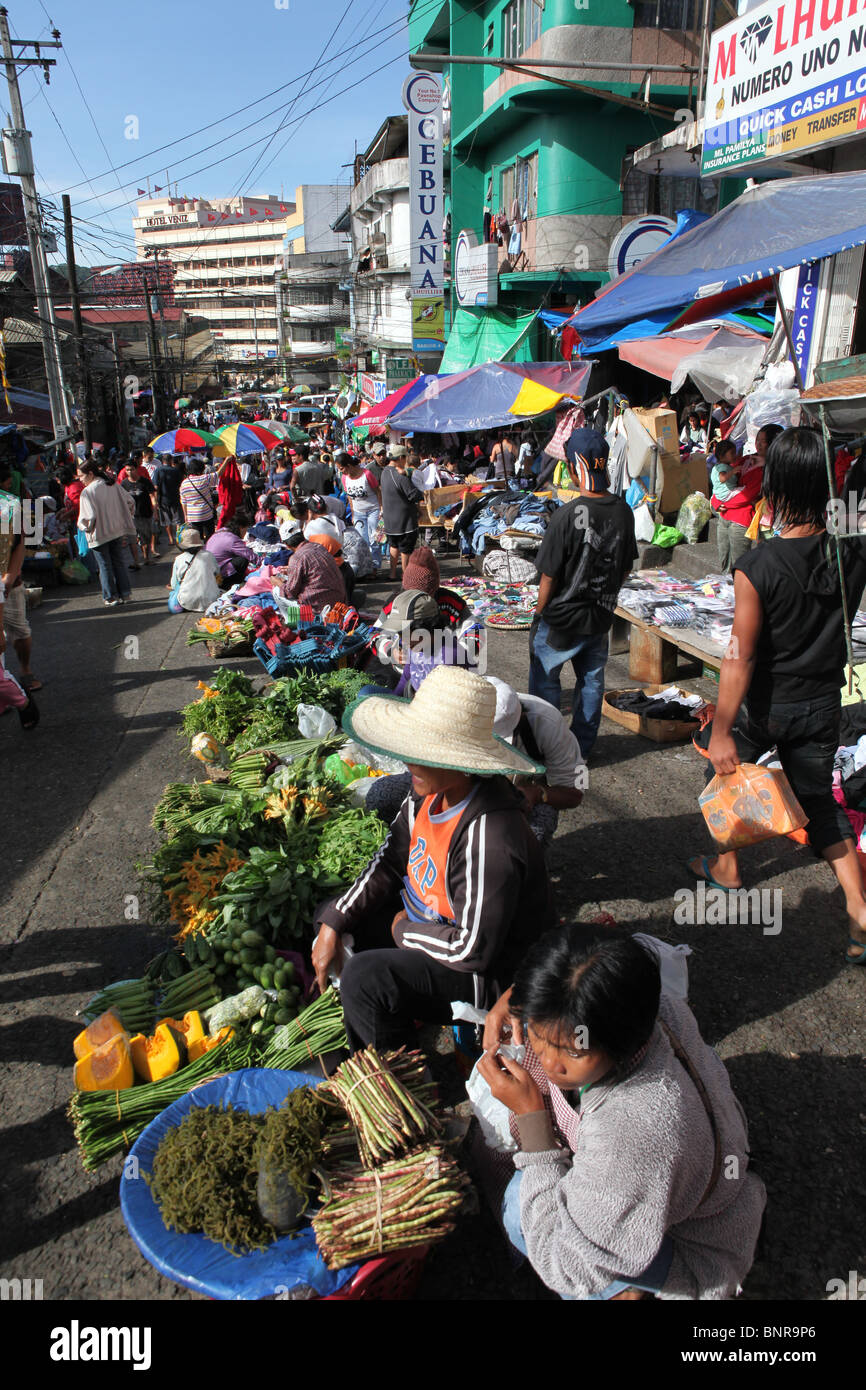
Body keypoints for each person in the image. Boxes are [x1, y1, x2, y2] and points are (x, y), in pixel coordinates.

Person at [479, 925, 766, 1300]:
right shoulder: (653, 1004)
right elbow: (575, 982)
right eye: (539, 1035)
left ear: (621, 1040)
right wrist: (519, 1002)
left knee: (519, 1204)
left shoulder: (633, 1130)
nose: (550, 1064)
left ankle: (627, 1291)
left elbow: (565, 1265)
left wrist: (533, 1123)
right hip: (703, 1186)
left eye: (572, 1052)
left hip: (698, 1259)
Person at [689, 427, 866, 965]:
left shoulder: (758, 566)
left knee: (714, 763)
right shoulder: (852, 554)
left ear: (777, 485)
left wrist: (720, 730)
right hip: (822, 705)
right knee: (822, 808)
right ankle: (860, 911)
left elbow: (739, 656)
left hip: (768, 708)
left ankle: (727, 869)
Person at [311, 665, 557, 1049]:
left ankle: (400, 1083)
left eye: (425, 754)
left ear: (463, 763)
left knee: (365, 977)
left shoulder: (489, 835)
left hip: (493, 975)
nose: (411, 762)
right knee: (335, 918)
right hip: (429, 923)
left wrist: (401, 930)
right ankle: (392, 1022)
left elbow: (471, 951)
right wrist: (333, 921)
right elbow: (391, 859)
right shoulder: (427, 795)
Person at [529, 426, 637, 758]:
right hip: (599, 617)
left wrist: (538, 613)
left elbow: (548, 576)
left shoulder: (564, 516)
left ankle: (547, 751)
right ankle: (581, 749)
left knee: (546, 683)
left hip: (560, 618)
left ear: (577, 467)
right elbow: (626, 566)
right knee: (591, 682)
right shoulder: (623, 511)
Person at [486, 676, 585, 848]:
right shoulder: (447, 718)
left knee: (531, 836)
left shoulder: (549, 724)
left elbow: (575, 794)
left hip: (522, 795)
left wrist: (537, 793)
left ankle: (530, 866)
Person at [76, 459, 136, 606]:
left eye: (81, 476)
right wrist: (123, 517)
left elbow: (87, 518)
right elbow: (130, 502)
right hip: (117, 530)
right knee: (119, 562)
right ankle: (125, 594)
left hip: (99, 534)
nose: (80, 480)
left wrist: (83, 528)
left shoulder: (88, 492)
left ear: (90, 474)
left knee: (104, 566)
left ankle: (110, 597)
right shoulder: (112, 485)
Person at [380, 445, 423, 580]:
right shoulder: (399, 476)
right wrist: (421, 493)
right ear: (400, 458)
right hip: (404, 520)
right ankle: (406, 576)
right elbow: (413, 495)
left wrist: (408, 472)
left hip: (390, 520)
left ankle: (392, 573)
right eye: (405, 458)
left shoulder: (385, 471)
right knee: (406, 549)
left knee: (394, 545)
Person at [279, 530, 347, 611]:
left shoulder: (297, 558)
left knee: (277, 591)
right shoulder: (318, 546)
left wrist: (277, 582)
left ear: (287, 545)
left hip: (319, 606)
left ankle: (292, 621)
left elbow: (290, 593)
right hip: (340, 600)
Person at [337, 450, 381, 561]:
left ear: (348, 465)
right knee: (362, 541)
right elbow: (349, 498)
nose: (340, 471)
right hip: (358, 513)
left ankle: (375, 565)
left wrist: (381, 509)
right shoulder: (344, 478)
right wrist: (352, 514)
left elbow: (378, 492)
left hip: (373, 511)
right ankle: (366, 567)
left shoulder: (367, 474)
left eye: (341, 468)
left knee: (374, 539)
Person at [168, 526, 221, 613]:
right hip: (211, 600)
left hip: (187, 601)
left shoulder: (179, 559)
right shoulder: (209, 555)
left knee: (176, 588)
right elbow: (217, 573)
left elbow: (174, 584)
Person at [179, 456, 229, 540]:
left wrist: (186, 516)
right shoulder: (204, 478)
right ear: (200, 470)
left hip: (192, 516)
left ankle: (199, 552)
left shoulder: (184, 483)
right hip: (206, 515)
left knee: (197, 539)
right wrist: (227, 460)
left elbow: (183, 502)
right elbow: (218, 473)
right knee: (209, 538)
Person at [120, 458, 159, 563]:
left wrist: (155, 510)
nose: (129, 472)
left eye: (131, 469)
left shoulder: (145, 482)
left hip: (146, 513)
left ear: (136, 469)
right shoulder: (124, 484)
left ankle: (146, 556)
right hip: (132, 516)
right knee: (136, 538)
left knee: (147, 536)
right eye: (127, 470)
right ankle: (139, 559)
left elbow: (152, 496)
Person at [204, 513, 257, 582]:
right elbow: (250, 556)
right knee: (242, 560)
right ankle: (232, 583)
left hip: (208, 569)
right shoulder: (232, 539)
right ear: (241, 528)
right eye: (245, 530)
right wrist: (266, 562)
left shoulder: (221, 530)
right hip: (217, 573)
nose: (245, 533)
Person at [153, 454, 185, 547]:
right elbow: (181, 485)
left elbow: (155, 487)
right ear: (171, 460)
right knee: (178, 521)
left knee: (167, 521)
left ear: (163, 461)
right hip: (176, 499)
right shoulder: (176, 471)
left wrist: (156, 501)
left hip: (163, 500)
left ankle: (171, 539)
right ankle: (178, 538)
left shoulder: (158, 470)